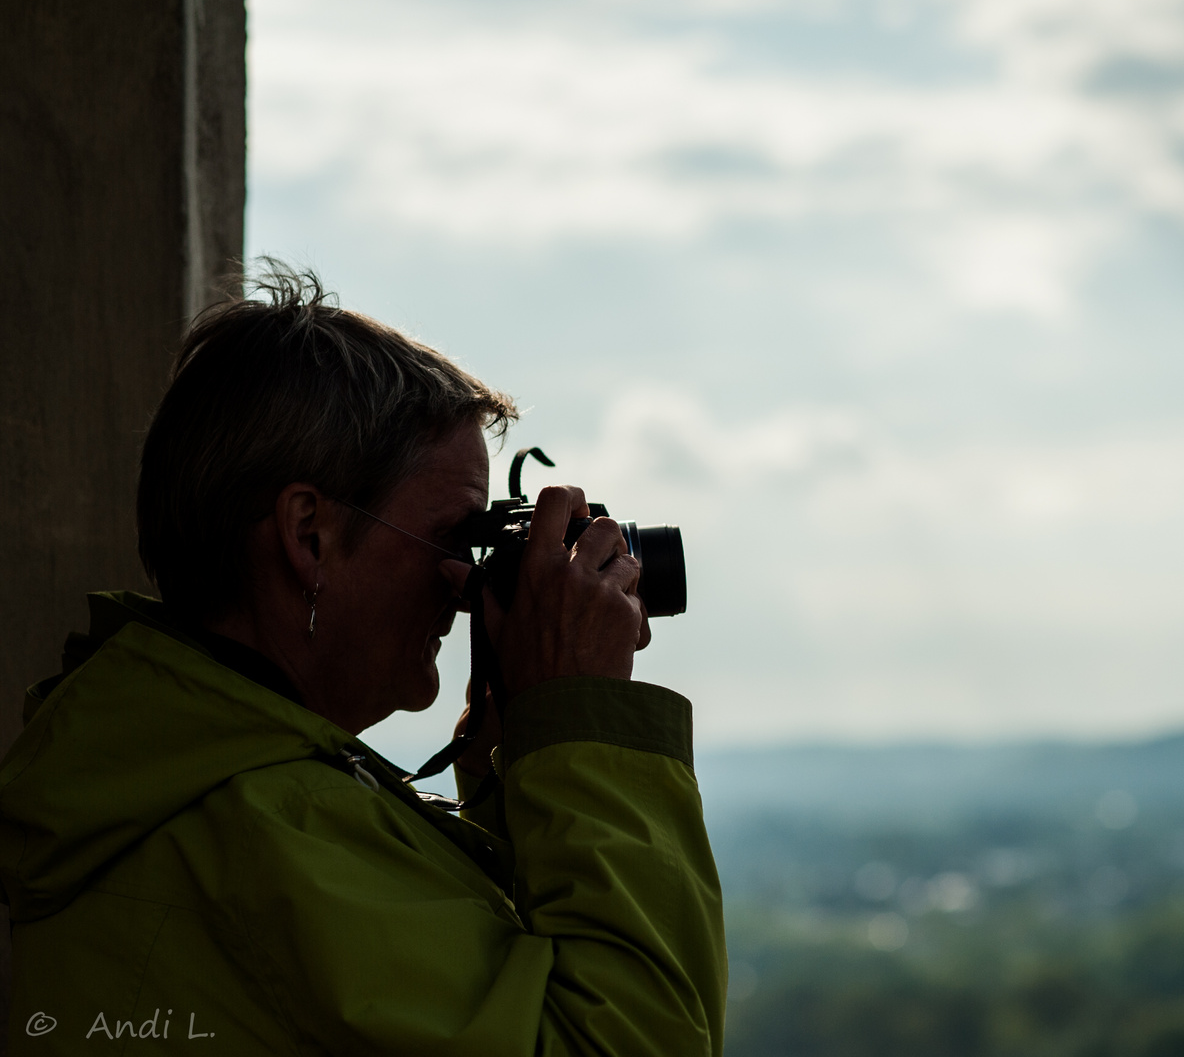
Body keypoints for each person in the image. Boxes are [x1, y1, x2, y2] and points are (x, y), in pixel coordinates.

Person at [0, 267, 725, 1054]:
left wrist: (514, 763)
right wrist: (583, 721)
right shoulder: (276, 839)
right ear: (309, 535)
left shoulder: (166, 778)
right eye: (453, 540)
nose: (464, 588)